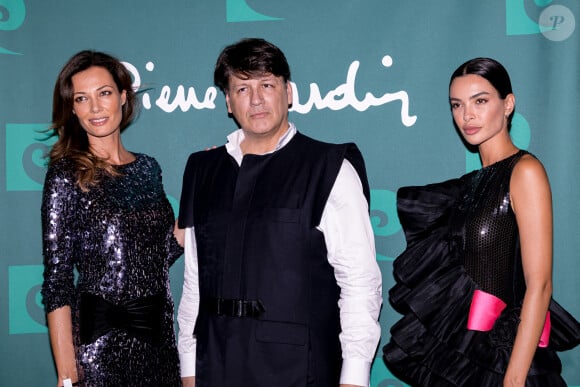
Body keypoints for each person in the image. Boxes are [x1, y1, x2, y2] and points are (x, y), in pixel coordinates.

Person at [177, 38, 382, 387]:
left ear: (288, 92)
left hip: (299, 369)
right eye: (242, 88)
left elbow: (360, 283)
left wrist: (354, 376)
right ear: (228, 100)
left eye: (267, 85)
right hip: (216, 365)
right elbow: (194, 281)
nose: (256, 99)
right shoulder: (202, 169)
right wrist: (188, 367)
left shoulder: (329, 168)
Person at [382, 57, 580, 386]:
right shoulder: (468, 185)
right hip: (464, 358)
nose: (467, 116)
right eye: (456, 105)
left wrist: (513, 379)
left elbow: (540, 285)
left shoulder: (525, 172)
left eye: (480, 101)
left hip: (506, 362)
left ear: (508, 104)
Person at [41, 50, 183, 387]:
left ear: (123, 96)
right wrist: (66, 375)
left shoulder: (148, 168)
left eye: (103, 93)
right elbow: (57, 281)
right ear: (72, 109)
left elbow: (160, 254)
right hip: (98, 352)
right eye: (81, 98)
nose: (94, 108)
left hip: (157, 342)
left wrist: (206, 184)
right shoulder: (66, 175)